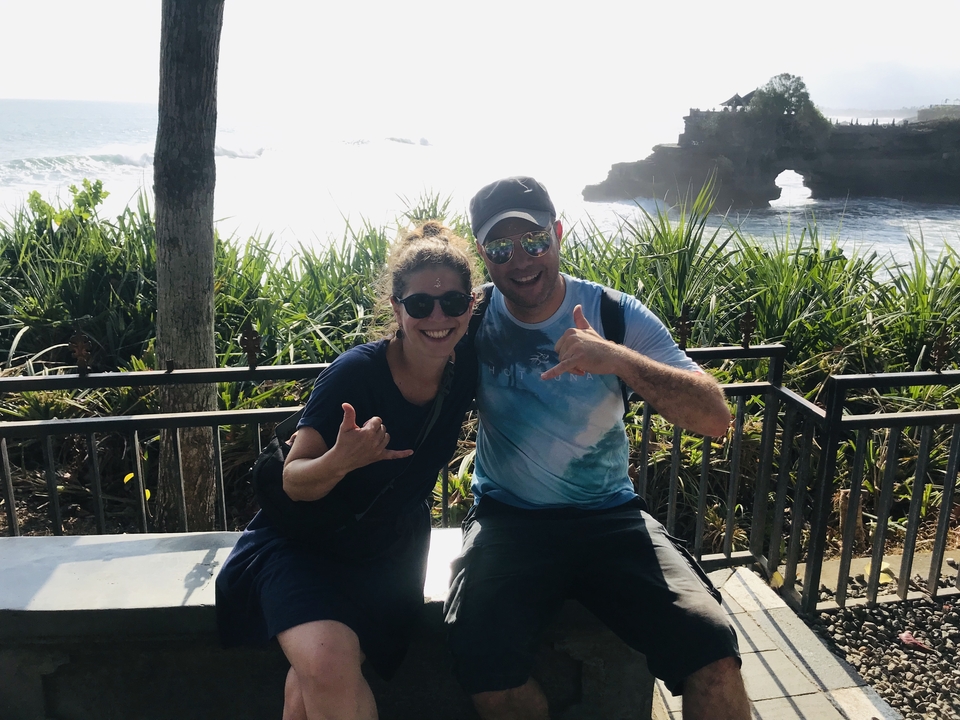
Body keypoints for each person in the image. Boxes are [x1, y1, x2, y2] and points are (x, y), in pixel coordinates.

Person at [444, 176, 751, 720]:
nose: (521, 260)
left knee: (712, 650)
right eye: (501, 248)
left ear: (558, 234)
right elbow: (406, 367)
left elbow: (715, 418)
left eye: (534, 240)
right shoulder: (472, 318)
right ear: (483, 256)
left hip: (610, 518)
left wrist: (617, 359)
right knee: (482, 660)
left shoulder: (614, 313)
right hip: (509, 520)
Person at [216, 221, 481, 720]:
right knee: (325, 662)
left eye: (452, 303)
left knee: (313, 682)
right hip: (307, 546)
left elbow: (527, 291)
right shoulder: (357, 373)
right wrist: (341, 461)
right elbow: (293, 481)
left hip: (387, 550)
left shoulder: (465, 360)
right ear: (396, 308)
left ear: (471, 306)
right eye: (420, 304)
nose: (438, 317)